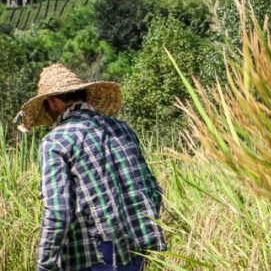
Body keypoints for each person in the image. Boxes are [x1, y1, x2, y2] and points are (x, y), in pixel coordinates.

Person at [15, 63, 167, 271]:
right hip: (134, 250)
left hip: (92, 257)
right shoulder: (122, 129)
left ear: (52, 103)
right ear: (87, 96)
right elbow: (153, 190)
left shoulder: (56, 142)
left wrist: (45, 265)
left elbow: (58, 212)